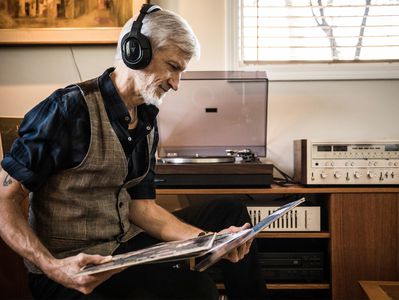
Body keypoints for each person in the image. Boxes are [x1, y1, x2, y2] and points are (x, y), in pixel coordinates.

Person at [0, 4, 267, 300]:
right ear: (135, 52)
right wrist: (52, 267)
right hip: (71, 265)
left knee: (222, 232)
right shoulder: (67, 110)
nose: (177, 85)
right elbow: (4, 200)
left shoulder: (148, 116)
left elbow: (141, 207)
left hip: (122, 251)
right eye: (173, 67)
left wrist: (208, 241)